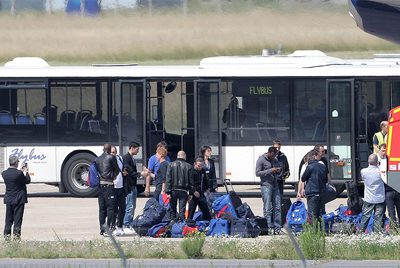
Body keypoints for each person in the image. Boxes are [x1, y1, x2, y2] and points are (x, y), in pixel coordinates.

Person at [2, 155, 31, 239]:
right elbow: (27, 180)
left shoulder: (4, 173)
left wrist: (21, 171)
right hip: (19, 200)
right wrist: (26, 172)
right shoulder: (19, 173)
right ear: (15, 163)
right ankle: (16, 239)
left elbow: (16, 177)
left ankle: (6, 238)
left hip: (9, 199)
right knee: (17, 221)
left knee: (8, 220)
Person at [122, 141, 148, 233]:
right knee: (129, 205)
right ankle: (126, 224)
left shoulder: (132, 158)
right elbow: (129, 171)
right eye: (137, 149)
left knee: (133, 206)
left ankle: (130, 223)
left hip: (133, 185)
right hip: (129, 186)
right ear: (132, 148)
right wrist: (140, 173)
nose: (138, 151)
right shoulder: (126, 158)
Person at [255, 146, 282, 235]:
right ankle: (268, 227)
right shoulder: (261, 160)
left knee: (277, 207)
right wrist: (271, 170)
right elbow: (257, 173)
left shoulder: (275, 160)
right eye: (272, 156)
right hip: (266, 185)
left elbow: (278, 169)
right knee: (267, 208)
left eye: (275, 156)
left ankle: (277, 228)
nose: (273, 158)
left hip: (275, 185)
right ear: (269, 153)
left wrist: (278, 170)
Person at [96, 143, 120, 236]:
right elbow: (117, 170)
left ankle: (102, 229)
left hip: (100, 186)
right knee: (111, 208)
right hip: (109, 185)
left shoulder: (97, 159)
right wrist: (113, 176)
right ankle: (108, 228)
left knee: (102, 209)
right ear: (110, 149)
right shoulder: (111, 157)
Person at [358, 154, 385, 234]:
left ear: (368, 161)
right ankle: (377, 233)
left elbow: (363, 178)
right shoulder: (380, 172)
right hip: (380, 198)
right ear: (377, 162)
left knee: (365, 216)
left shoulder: (363, 171)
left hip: (369, 198)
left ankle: (360, 233)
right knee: (378, 217)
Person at [301, 149, 328, 224]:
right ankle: (321, 230)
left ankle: (314, 231)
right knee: (320, 213)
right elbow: (326, 179)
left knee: (312, 214)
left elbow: (303, 178)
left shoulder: (310, 167)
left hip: (312, 193)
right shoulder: (323, 166)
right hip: (321, 192)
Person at [165, 151, 192, 221]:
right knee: (182, 210)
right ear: (184, 156)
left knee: (172, 209)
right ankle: (182, 224)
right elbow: (191, 181)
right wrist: (191, 193)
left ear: (177, 156)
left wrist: (167, 192)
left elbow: (168, 179)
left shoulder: (170, 165)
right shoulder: (189, 166)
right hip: (184, 190)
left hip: (173, 190)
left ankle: (173, 224)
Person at [378, 144, 400, 224]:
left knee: (395, 212)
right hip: (388, 191)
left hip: (395, 190)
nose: (384, 153)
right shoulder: (378, 161)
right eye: (383, 151)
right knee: (391, 212)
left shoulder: (389, 160)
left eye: (385, 151)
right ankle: (394, 229)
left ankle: (394, 229)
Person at [110, 145, 126, 236]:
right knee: (114, 208)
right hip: (113, 187)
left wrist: (124, 171)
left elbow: (122, 168)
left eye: (114, 152)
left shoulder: (119, 158)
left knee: (122, 207)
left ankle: (120, 226)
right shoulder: (108, 160)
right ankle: (113, 226)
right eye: (112, 152)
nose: (113, 154)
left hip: (121, 186)